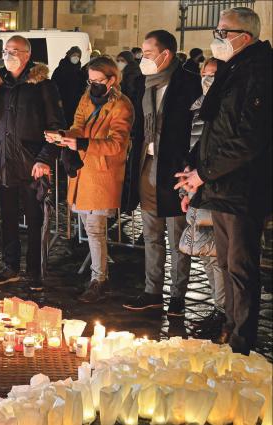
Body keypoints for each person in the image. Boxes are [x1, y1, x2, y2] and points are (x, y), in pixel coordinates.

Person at [176, 7, 271, 354]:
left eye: (223, 32)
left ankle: (242, 341)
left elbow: (248, 139)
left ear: (244, 37)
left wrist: (205, 172)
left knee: (242, 268)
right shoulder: (234, 70)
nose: (217, 38)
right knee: (227, 263)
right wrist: (193, 170)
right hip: (221, 185)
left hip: (243, 188)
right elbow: (216, 130)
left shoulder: (259, 74)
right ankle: (230, 327)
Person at [121, 30, 201, 316]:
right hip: (147, 165)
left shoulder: (188, 84)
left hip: (175, 169)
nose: (143, 59)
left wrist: (190, 164)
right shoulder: (144, 83)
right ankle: (152, 290)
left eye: (149, 53)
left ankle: (178, 295)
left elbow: (196, 129)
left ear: (166, 55)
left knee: (178, 237)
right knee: (151, 234)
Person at [46, 56, 134, 302]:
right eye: (90, 80)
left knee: (95, 230)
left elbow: (117, 144)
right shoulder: (87, 98)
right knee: (88, 226)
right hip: (83, 172)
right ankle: (98, 274)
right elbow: (78, 124)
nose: (92, 84)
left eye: (98, 80)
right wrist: (63, 136)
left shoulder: (122, 106)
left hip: (102, 173)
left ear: (112, 80)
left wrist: (82, 142)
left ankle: (99, 279)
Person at [0, 35, 64, 291]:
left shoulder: (43, 86)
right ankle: (11, 265)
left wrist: (44, 159)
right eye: (5, 50)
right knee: (7, 218)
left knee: (35, 220)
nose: (8, 54)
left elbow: (56, 127)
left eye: (14, 50)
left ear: (27, 55)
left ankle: (35, 271)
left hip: (32, 164)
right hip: (4, 162)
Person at [177, 57, 226, 338]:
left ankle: (225, 312)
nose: (208, 80)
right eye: (204, 75)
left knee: (220, 256)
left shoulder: (224, 110)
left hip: (216, 191)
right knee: (207, 255)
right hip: (197, 191)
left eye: (214, 75)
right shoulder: (198, 107)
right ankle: (219, 309)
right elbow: (192, 150)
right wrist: (187, 189)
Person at [51, 46, 85, 126]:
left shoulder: (79, 72)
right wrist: (57, 100)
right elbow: (53, 86)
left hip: (75, 105)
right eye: (74, 55)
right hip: (62, 104)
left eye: (78, 56)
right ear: (69, 55)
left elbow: (82, 88)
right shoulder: (60, 70)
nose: (76, 58)